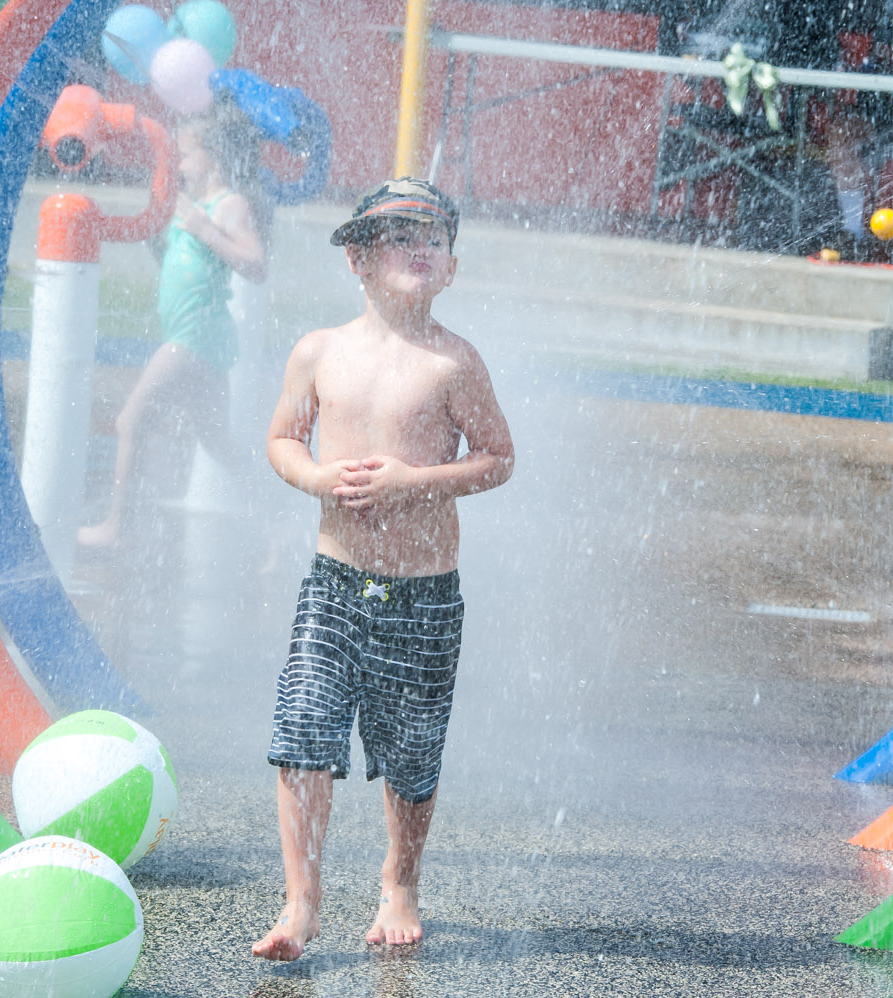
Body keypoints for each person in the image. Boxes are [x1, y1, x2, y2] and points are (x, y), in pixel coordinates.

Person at [251, 178, 514, 961]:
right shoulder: (319, 351)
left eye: (434, 236)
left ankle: (400, 877)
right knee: (303, 729)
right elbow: (281, 441)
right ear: (358, 260)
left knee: (411, 748)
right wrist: (318, 478)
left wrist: (412, 481)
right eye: (401, 236)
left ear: (452, 268)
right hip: (336, 581)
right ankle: (301, 903)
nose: (421, 247)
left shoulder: (454, 364)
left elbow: (499, 459)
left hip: (424, 591)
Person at [76, 99, 268, 548]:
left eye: (185, 155)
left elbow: (256, 264)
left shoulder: (228, 205)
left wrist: (204, 230)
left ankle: (116, 528)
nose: (177, 163)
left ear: (213, 157)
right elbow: (177, 259)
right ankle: (273, 530)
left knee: (130, 421)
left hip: (194, 338)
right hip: (199, 339)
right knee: (219, 443)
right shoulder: (194, 204)